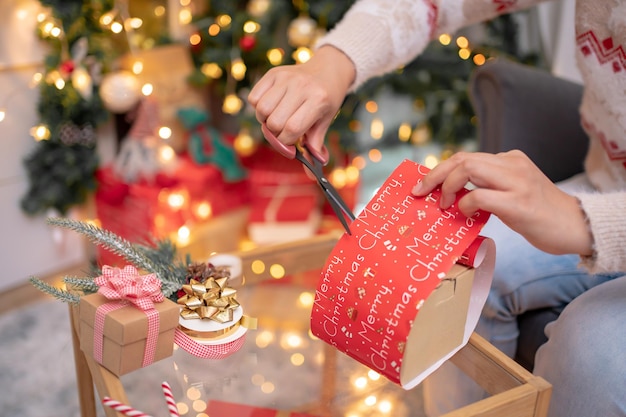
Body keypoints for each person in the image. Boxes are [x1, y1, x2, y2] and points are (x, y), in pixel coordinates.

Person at [248, 1, 626, 416]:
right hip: (607, 182)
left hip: (601, 214)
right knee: (449, 276)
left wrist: (586, 224)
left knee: (589, 352)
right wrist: (334, 63)